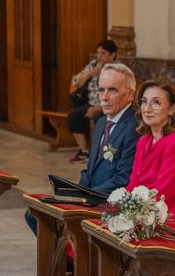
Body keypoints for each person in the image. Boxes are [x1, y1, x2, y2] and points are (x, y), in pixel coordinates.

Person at [25, 63, 138, 235]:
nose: (104, 97)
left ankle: (70, 260)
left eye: (112, 90)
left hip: (108, 204)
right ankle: (67, 260)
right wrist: (74, 194)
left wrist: (84, 197)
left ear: (130, 94)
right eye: (101, 90)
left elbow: (123, 179)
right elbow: (90, 169)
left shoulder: (134, 128)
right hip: (89, 197)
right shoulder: (101, 123)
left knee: (44, 219)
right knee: (35, 214)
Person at [126, 80, 175, 233]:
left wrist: (132, 214)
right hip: (142, 208)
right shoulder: (143, 141)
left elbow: (162, 192)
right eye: (144, 102)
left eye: (156, 102)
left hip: (168, 213)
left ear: (172, 109)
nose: (147, 109)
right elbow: (133, 183)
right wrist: (123, 206)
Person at [68, 40, 118, 163]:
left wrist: (98, 108)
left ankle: (100, 153)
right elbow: (76, 82)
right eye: (98, 53)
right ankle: (84, 151)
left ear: (113, 55)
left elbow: (117, 94)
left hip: (110, 106)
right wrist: (88, 74)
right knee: (74, 115)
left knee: (100, 120)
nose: (99, 56)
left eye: (103, 53)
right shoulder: (93, 65)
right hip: (91, 103)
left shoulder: (116, 69)